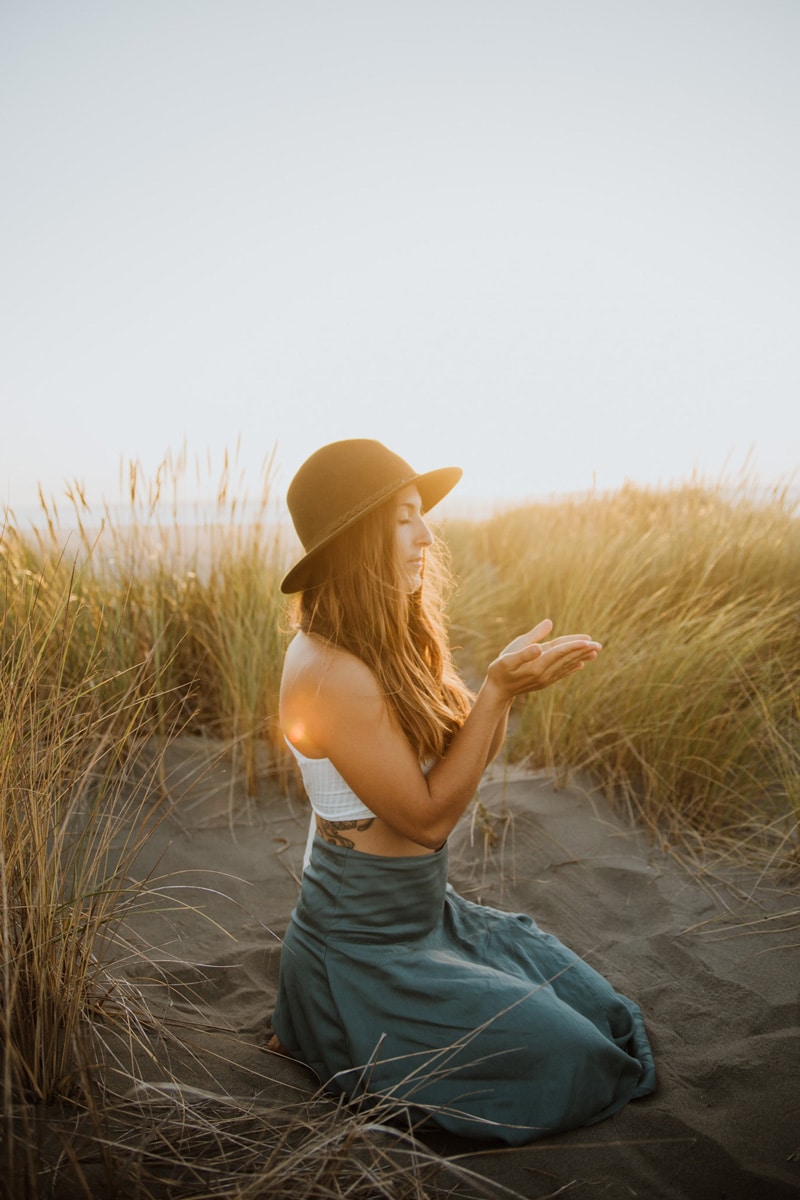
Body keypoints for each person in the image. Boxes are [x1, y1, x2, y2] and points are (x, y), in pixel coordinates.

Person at [270, 439, 656, 1145]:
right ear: (357, 539)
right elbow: (426, 821)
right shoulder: (329, 671)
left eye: (422, 516)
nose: (427, 535)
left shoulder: (390, 638)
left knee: (604, 1017)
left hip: (424, 917)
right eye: (405, 519)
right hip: (362, 946)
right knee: (576, 1061)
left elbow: (456, 757)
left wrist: (502, 696)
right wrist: (498, 693)